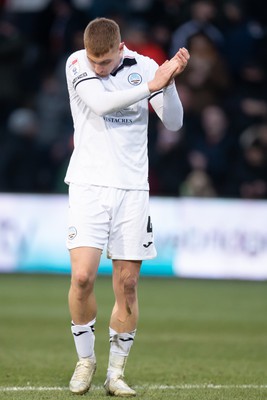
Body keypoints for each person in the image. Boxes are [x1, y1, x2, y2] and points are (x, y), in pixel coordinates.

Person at [64, 17, 189, 397]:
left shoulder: (146, 68)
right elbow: (100, 104)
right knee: (83, 277)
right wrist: (151, 86)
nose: (98, 69)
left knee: (128, 284)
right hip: (88, 185)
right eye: (93, 61)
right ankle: (86, 360)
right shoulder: (76, 63)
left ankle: (115, 373)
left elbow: (174, 123)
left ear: (121, 48)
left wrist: (167, 84)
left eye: (105, 63)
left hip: (133, 189)